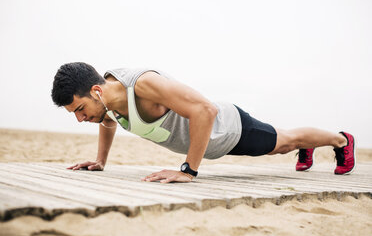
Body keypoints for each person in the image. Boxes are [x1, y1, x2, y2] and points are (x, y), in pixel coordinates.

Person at [51, 62, 356, 183]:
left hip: (228, 129)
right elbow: (110, 120)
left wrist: (188, 171)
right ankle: (306, 148)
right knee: (283, 141)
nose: (80, 119)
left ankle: (341, 140)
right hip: (212, 142)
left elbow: (205, 110)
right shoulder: (108, 99)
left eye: (79, 109)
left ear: (95, 91)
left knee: (283, 141)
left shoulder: (143, 85)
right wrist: (100, 160)